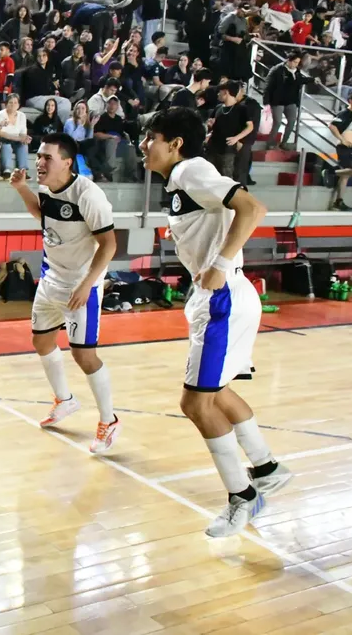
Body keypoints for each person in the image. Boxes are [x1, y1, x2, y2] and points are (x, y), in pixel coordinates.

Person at [141, 107, 292, 537]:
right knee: (218, 393)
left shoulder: (191, 170)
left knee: (195, 404)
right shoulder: (181, 181)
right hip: (227, 296)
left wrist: (220, 264)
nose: (144, 146)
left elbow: (252, 208)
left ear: (175, 144)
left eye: (152, 138)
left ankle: (243, 497)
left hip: (222, 298)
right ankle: (267, 467)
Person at [8, 133, 118, 450]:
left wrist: (87, 285)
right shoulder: (47, 188)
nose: (39, 162)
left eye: (47, 157)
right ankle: (65, 399)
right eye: (39, 156)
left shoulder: (89, 195)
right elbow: (42, 216)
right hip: (51, 277)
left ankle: (109, 420)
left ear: (67, 163)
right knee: (42, 341)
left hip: (81, 283)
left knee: (84, 355)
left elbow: (109, 245)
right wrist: (21, 189)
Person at [207, 80, 251, 177]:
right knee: (210, 174)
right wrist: (210, 125)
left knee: (226, 175)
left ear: (226, 92)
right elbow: (212, 125)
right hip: (212, 146)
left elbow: (250, 126)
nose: (218, 94)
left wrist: (237, 138)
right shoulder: (218, 107)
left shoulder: (241, 109)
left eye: (220, 92)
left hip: (227, 149)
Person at [0, 93, 30, 175]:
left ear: (18, 105)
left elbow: (22, 133)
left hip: (17, 140)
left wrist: (25, 138)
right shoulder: (1, 114)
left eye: (15, 102)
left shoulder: (22, 116)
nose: (13, 105)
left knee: (24, 145)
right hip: (3, 140)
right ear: (6, 104)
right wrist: (17, 138)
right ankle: (7, 170)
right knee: (6, 146)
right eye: (10, 102)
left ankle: (23, 170)